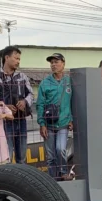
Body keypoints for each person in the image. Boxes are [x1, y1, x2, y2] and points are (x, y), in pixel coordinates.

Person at [0, 46, 33, 165]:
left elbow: (31, 94)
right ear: (7, 57)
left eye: (19, 59)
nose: (18, 61)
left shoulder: (22, 76)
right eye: (16, 58)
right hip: (3, 122)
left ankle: (21, 182)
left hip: (21, 120)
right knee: (6, 157)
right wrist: (4, 107)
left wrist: (24, 102)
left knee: (22, 157)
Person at [37, 52, 73, 180]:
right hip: (49, 124)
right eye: (51, 62)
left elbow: (73, 102)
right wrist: (42, 124)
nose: (53, 65)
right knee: (51, 155)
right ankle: (53, 179)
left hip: (63, 123)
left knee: (60, 149)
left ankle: (64, 173)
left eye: (56, 62)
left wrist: (71, 119)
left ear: (63, 64)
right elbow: (40, 104)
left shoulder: (69, 81)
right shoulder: (45, 83)